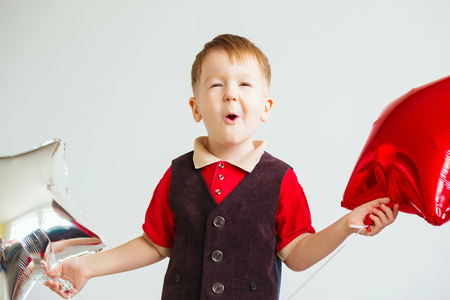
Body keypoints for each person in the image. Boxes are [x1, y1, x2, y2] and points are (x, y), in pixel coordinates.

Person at [45, 34, 399, 299]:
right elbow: (154, 244)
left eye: (244, 84)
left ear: (265, 107)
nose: (231, 94)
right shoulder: (177, 176)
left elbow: (298, 254)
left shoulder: (281, 180)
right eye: (217, 85)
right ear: (196, 107)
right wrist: (88, 267)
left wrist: (347, 224)